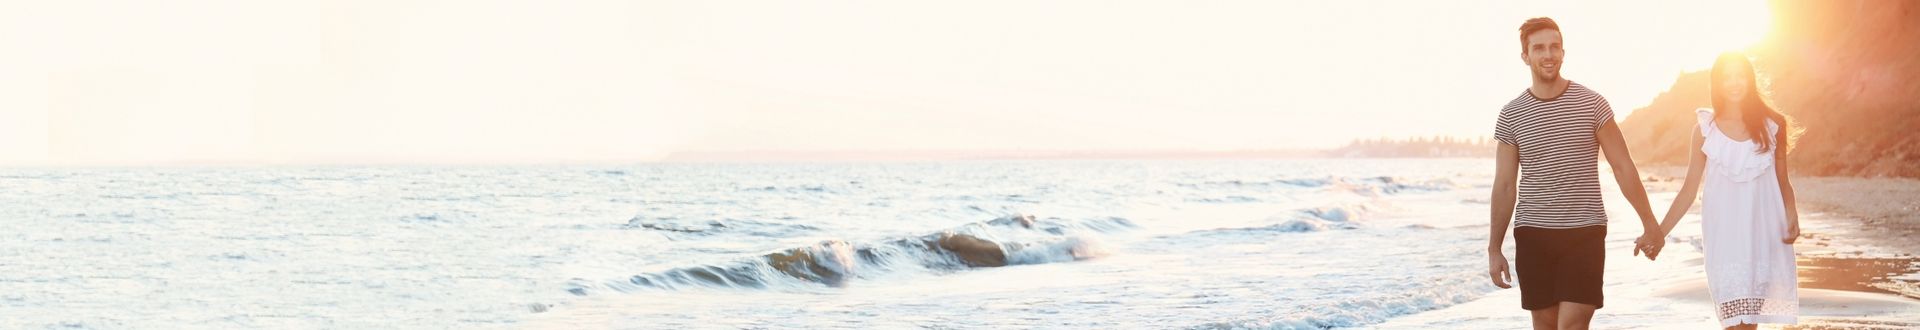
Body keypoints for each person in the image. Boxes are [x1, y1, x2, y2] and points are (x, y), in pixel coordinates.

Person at [1485, 17, 1664, 330]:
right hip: (1533, 234)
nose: (1548, 54)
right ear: (1525, 56)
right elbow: (1504, 186)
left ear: (1563, 52)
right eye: (1539, 48)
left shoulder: (1593, 104)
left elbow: (1623, 167)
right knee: (1545, 325)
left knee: (1573, 324)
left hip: (1585, 232)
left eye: (1554, 47)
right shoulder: (1512, 114)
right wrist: (1494, 249)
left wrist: (1650, 223)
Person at [1642, 52, 1802, 329]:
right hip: (1724, 237)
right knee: (1731, 322)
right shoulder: (1705, 130)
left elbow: (1783, 181)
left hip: (1761, 233)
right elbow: (1688, 191)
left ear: (1750, 80)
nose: (1734, 83)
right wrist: (1659, 233)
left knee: (1749, 323)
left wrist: (1792, 214)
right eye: (1727, 77)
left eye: (1740, 76)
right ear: (1717, 83)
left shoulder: (1773, 126)